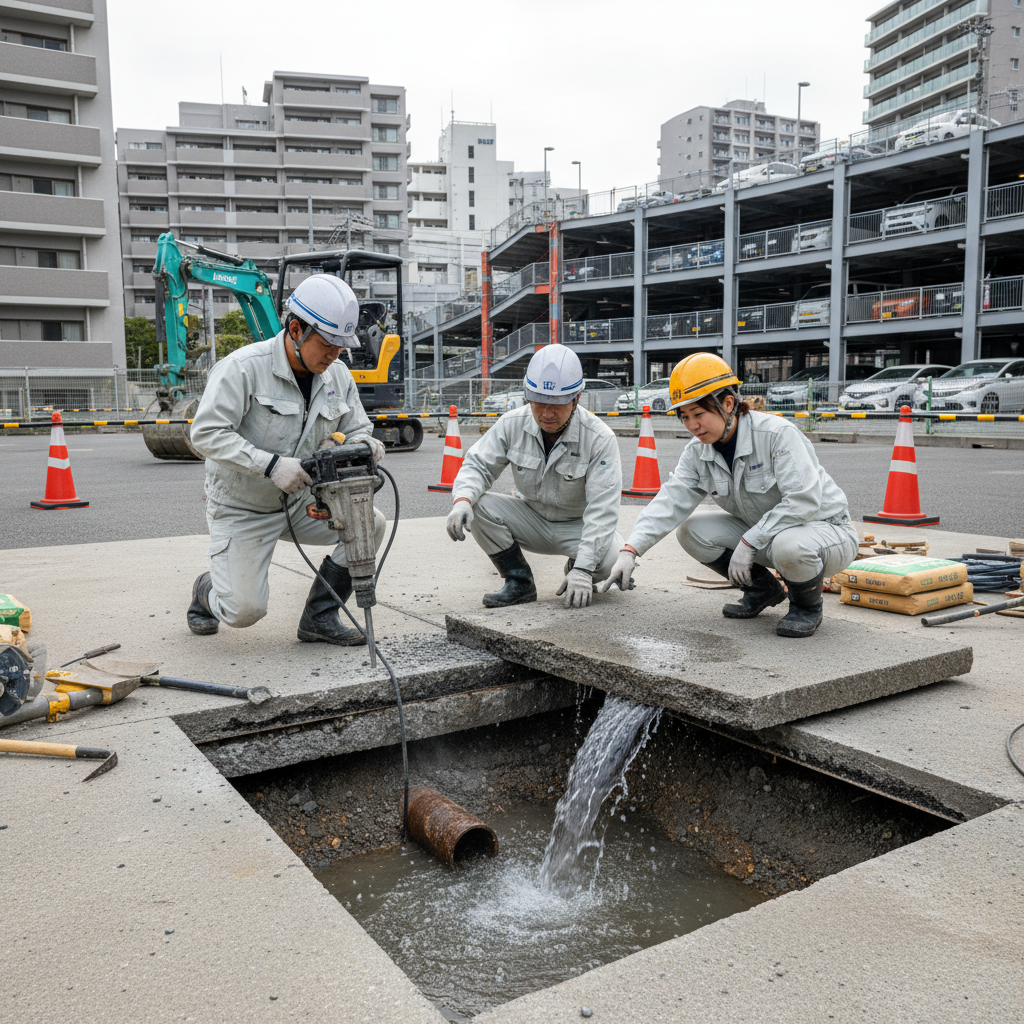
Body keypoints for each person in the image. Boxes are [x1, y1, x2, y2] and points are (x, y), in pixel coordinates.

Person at [186, 274, 386, 644]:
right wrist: (271, 465)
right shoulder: (244, 368)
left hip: (301, 503)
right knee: (244, 611)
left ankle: (319, 618)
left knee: (369, 523)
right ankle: (207, 589)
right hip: (242, 507)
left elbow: (358, 426)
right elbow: (205, 434)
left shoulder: (337, 376)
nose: (335, 355)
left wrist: (362, 444)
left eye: (342, 347)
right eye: (328, 345)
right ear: (296, 329)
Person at [599, 353, 858, 637]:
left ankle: (806, 607)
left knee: (789, 545)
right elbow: (670, 501)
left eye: (699, 414)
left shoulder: (776, 435)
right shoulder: (698, 452)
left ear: (728, 403)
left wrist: (749, 541)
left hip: (826, 533)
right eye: (684, 416)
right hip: (767, 534)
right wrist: (630, 550)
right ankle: (762, 590)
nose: (692, 425)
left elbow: (803, 501)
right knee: (691, 531)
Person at [446, 345, 623, 609]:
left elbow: (602, 510)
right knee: (477, 504)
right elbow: (479, 465)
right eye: (539, 402)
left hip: (578, 525)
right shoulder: (511, 424)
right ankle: (519, 583)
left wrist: (585, 569)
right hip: (532, 518)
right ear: (528, 396)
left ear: (577, 398)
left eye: (558, 404)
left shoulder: (599, 438)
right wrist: (461, 500)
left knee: (611, 560)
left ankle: (575, 570)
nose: (547, 414)